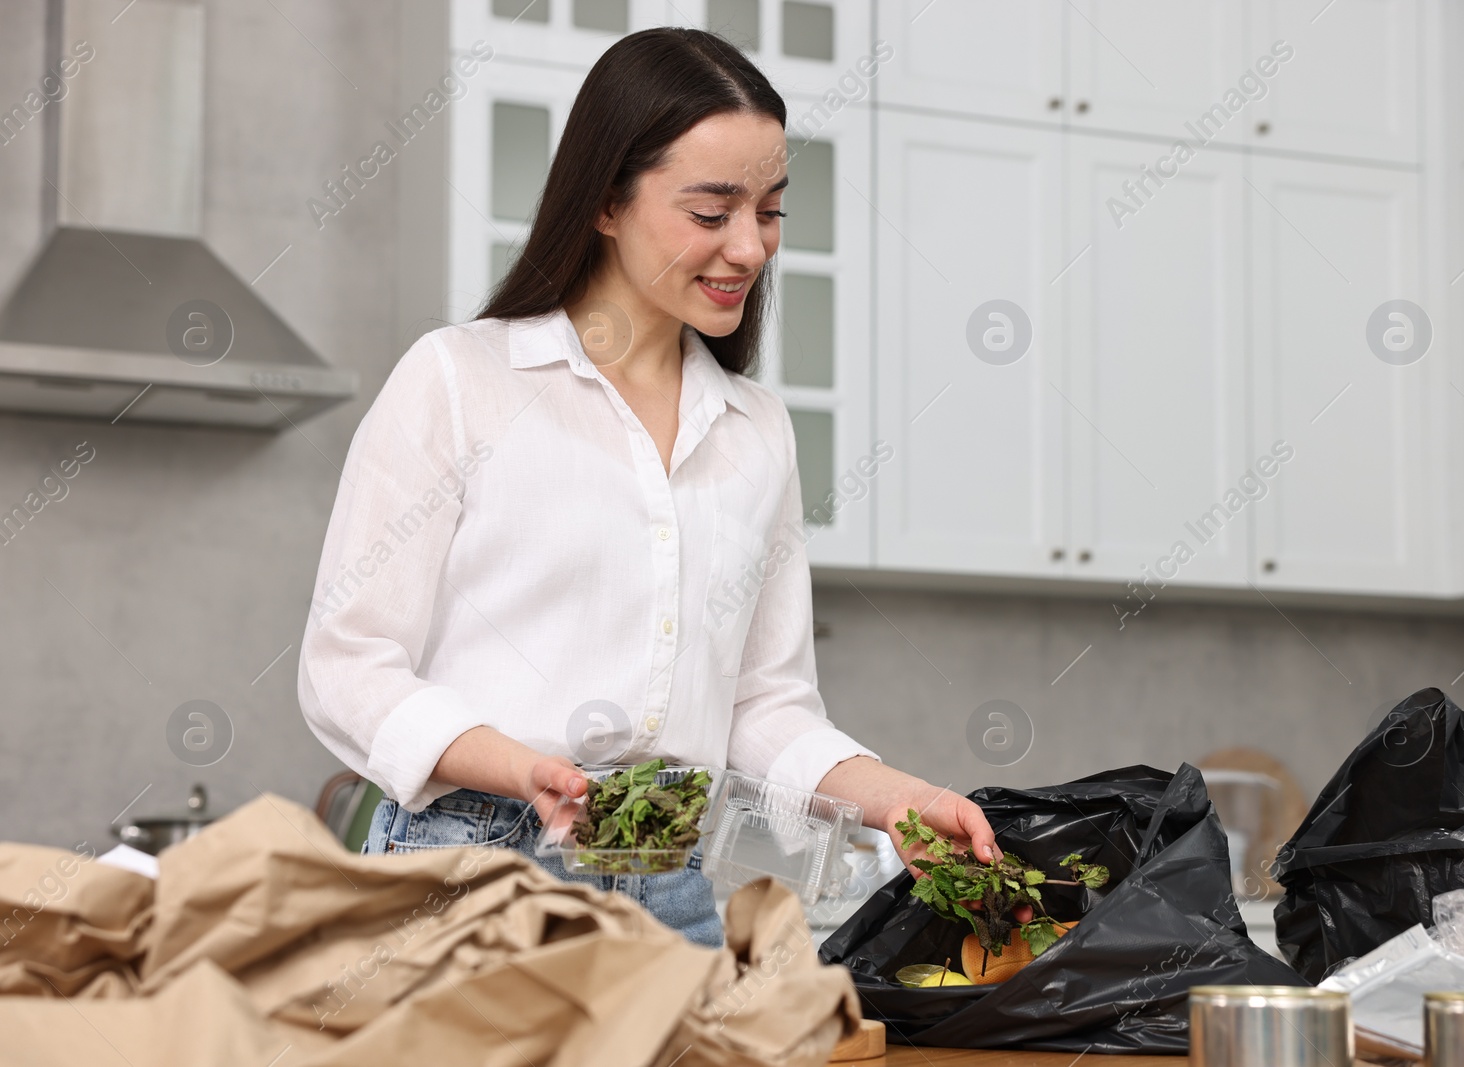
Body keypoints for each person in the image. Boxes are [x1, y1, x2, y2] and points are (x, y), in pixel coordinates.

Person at [297, 27, 1006, 948]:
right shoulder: (459, 380)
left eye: (772, 210)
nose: (750, 248)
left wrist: (901, 801)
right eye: (712, 213)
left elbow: (764, 706)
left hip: (668, 885)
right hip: (469, 873)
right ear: (604, 202)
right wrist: (521, 768)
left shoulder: (757, 432)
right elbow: (346, 665)